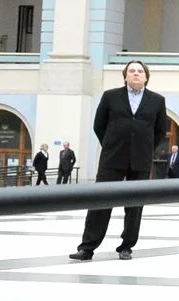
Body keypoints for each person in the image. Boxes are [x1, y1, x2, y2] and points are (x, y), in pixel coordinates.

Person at [70, 60, 166, 262]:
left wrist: (145, 148)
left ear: (146, 77)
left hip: (140, 159)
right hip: (112, 157)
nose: (136, 74)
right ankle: (87, 248)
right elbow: (99, 125)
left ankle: (126, 246)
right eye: (132, 71)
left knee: (134, 206)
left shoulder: (157, 101)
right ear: (125, 76)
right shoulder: (110, 96)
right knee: (100, 202)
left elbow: (159, 131)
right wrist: (111, 144)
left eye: (140, 71)